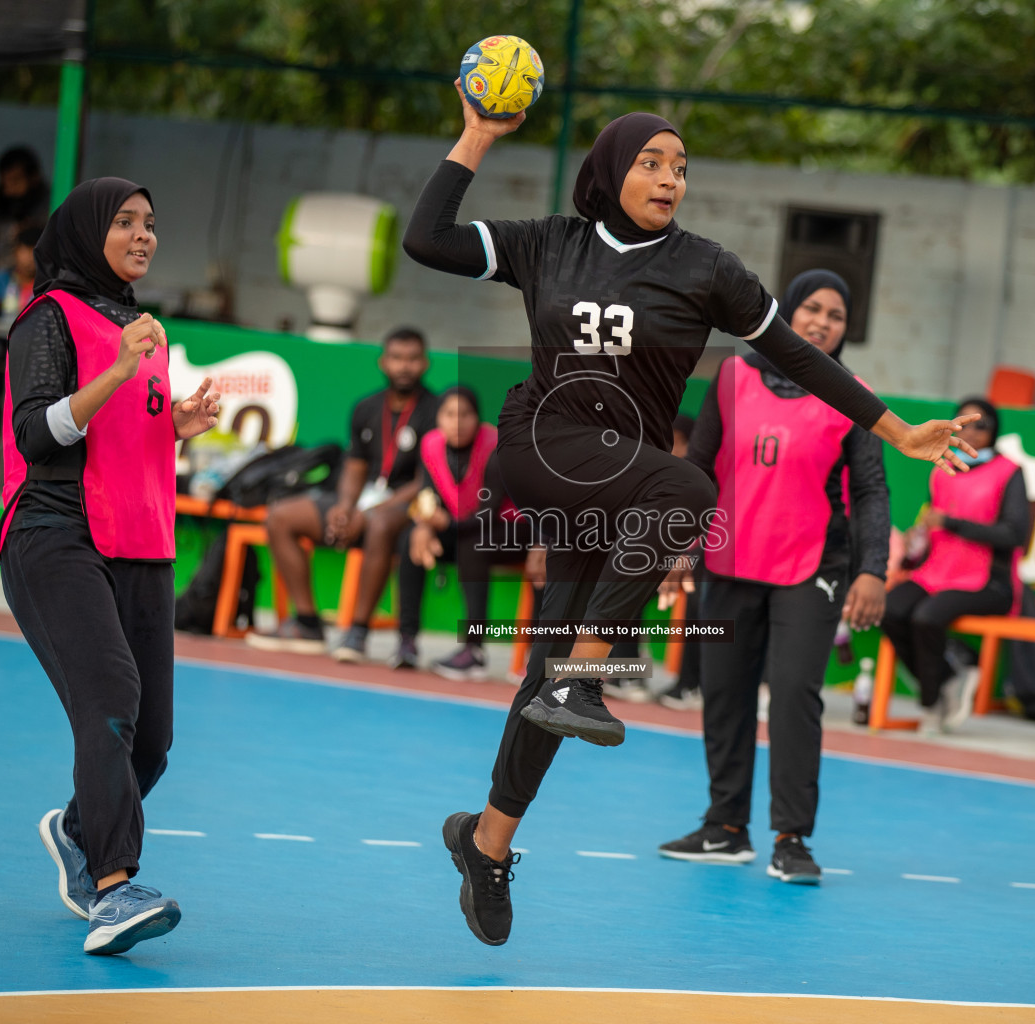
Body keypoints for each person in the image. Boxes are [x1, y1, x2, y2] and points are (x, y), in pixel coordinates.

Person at [403, 84, 976, 946]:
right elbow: (427, 238)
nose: (671, 178)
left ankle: (486, 843)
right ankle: (585, 674)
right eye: (652, 162)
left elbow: (797, 354)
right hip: (543, 441)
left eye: (681, 167)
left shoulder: (706, 267)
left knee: (542, 676)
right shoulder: (548, 243)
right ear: (609, 171)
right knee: (692, 490)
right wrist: (477, 135)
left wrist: (896, 430)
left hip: (622, 478)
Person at [0, 177, 222, 954]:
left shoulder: (138, 326)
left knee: (152, 741)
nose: (142, 235)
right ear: (88, 231)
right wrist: (116, 374)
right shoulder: (49, 318)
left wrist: (180, 427)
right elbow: (37, 436)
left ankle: (75, 828)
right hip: (56, 533)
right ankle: (113, 891)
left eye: (150, 224)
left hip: (141, 541)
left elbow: (124, 439)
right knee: (111, 700)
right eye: (124, 222)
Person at [656, 269, 891, 884]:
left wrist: (873, 571)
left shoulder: (855, 395)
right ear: (787, 310)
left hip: (811, 568)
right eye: (812, 307)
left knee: (792, 695)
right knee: (725, 694)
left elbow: (870, 492)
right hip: (729, 561)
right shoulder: (733, 375)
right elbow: (698, 466)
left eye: (836, 315)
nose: (822, 321)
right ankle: (725, 827)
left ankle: (792, 838)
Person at [247, 328, 436, 663]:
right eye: (396, 358)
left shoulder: (435, 411)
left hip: (404, 507)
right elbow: (355, 466)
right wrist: (346, 507)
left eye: (412, 359)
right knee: (280, 516)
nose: (404, 366)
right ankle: (307, 623)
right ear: (383, 362)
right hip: (362, 501)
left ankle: (357, 632)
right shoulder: (366, 407)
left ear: (425, 363)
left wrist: (374, 508)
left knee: (377, 523)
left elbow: (426, 479)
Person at [881, 398, 1028, 735]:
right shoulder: (941, 469)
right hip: (936, 572)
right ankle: (947, 680)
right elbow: (931, 525)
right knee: (889, 608)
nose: (973, 432)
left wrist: (952, 523)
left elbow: (1014, 533)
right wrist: (918, 542)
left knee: (926, 618)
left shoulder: (1010, 473)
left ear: (994, 431)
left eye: (982, 425)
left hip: (988, 581)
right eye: (965, 424)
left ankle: (931, 705)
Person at [397, 385, 545, 679]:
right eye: (449, 414)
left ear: (477, 418)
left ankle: (474, 650)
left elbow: (488, 514)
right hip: (462, 527)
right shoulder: (430, 445)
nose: (457, 422)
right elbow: (427, 496)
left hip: (514, 529)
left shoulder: (496, 448)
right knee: (410, 542)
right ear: (438, 418)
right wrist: (423, 526)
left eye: (465, 414)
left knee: (472, 543)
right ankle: (407, 642)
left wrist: (444, 525)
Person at [655, 413, 705, 711]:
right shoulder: (658, 475)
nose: (674, 450)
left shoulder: (706, 481)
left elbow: (711, 534)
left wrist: (683, 558)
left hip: (694, 565)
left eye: (681, 443)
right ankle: (626, 673)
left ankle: (689, 684)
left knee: (701, 590)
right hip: (660, 563)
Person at [0, 146, 50, 302]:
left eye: (15, 181)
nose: (9, 190)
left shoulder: (47, 207)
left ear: (34, 178)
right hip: (0, 283)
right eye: (5, 182)